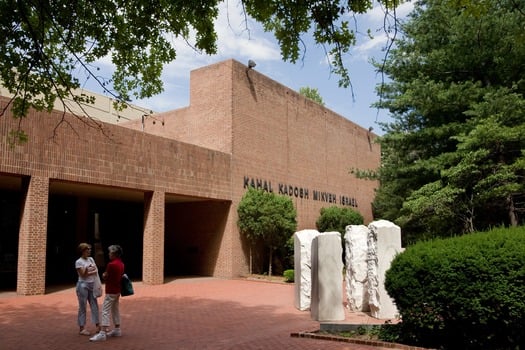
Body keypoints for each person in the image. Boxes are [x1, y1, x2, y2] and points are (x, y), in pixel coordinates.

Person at [90, 245, 125, 341]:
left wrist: (104, 275)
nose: (109, 254)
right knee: (115, 309)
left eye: (110, 253)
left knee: (105, 310)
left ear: (114, 254)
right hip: (117, 290)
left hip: (110, 290)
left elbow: (106, 276)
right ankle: (117, 329)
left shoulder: (111, 264)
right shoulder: (121, 264)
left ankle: (102, 332)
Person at [75, 243, 100, 336]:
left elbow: (96, 271)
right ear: (82, 251)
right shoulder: (78, 262)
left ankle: (98, 326)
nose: (89, 251)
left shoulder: (91, 259)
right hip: (82, 285)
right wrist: (87, 269)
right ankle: (82, 328)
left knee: (94, 305)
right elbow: (83, 275)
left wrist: (90, 270)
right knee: (82, 306)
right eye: (87, 249)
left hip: (92, 284)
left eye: (90, 249)